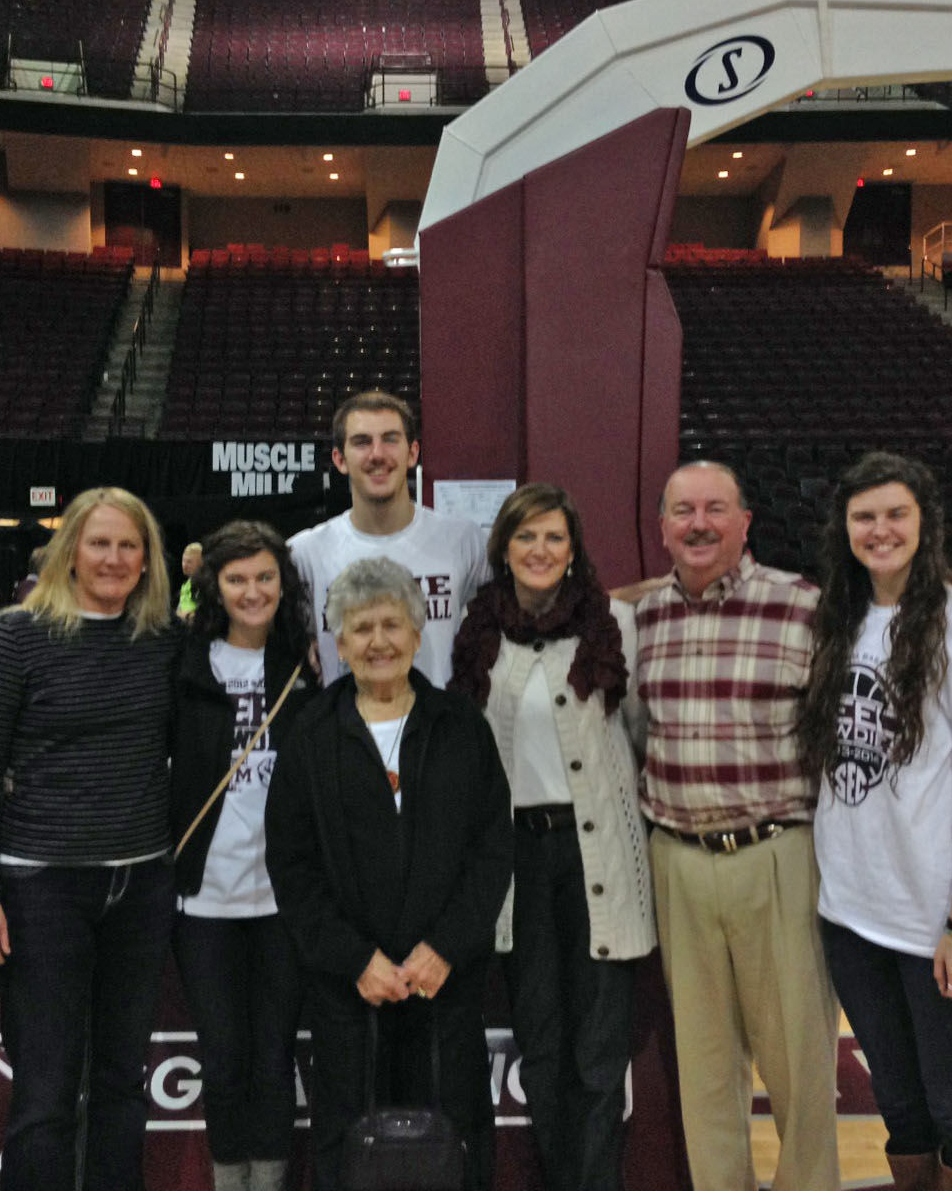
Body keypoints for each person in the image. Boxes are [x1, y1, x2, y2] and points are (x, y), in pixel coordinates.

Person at [795, 452, 952, 1191]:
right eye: (864, 516)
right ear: (844, 528)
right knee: (899, 1106)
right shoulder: (837, 618)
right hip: (853, 912)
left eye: (896, 514)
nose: (880, 530)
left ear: (925, 524)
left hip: (935, 917)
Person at [0, 486, 180, 1191]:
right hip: (42, 889)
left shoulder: (161, 640)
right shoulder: (17, 635)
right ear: (70, 552)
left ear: (147, 561)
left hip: (141, 887)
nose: (114, 558)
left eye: (128, 546)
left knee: (122, 1082)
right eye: (100, 543)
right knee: (47, 1091)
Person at [265, 557, 512, 1191]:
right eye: (361, 627)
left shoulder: (460, 726)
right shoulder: (310, 736)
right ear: (339, 641)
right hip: (351, 992)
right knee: (350, 1151)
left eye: (392, 624)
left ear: (419, 629)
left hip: (444, 987)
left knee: (454, 1144)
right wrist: (355, 960)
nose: (378, 641)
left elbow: (491, 850)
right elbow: (292, 867)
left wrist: (444, 949)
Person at [633, 461, 840, 1191]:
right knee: (705, 1067)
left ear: (745, 523)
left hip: (775, 854)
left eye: (715, 509)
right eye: (683, 511)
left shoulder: (803, 607)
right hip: (678, 861)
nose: (698, 524)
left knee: (800, 1063)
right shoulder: (643, 617)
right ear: (661, 529)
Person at [450, 483, 655, 1191]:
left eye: (554, 538)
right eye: (525, 537)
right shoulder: (478, 634)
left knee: (601, 1052)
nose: (539, 550)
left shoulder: (614, 626)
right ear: (502, 550)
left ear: (573, 552)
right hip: (517, 863)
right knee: (540, 1043)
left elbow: (642, 739)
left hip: (596, 856)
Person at [170, 521, 317, 1191]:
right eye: (237, 579)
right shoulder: (183, 665)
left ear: (282, 584)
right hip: (205, 899)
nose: (252, 591)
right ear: (214, 588)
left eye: (264, 577)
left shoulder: (306, 667)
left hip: (283, 899)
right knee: (224, 1060)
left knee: (273, 1058)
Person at [289, 391, 488, 687]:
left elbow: (506, 618)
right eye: (362, 442)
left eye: (390, 439)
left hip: (437, 725)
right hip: (345, 727)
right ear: (339, 459)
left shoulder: (464, 541)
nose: (377, 454)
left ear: (413, 453)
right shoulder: (304, 553)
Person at [177, 541, 203, 621]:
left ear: (200, 563)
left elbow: (205, 613)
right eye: (183, 561)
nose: (184, 565)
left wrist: (187, 616)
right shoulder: (186, 584)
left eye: (189, 562)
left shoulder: (205, 585)